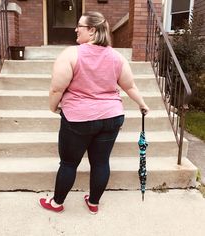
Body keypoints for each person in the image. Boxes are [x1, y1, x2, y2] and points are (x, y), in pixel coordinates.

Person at [39, 11, 149, 214]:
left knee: (69, 163)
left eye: (79, 26)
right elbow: (130, 86)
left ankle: (56, 203)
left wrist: (53, 107)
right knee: (100, 162)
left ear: (91, 30)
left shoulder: (71, 54)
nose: (75, 29)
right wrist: (142, 103)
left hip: (78, 119)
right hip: (111, 117)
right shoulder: (117, 57)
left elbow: (56, 89)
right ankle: (94, 202)